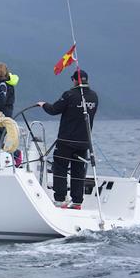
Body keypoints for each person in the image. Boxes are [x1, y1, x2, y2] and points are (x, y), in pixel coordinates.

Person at [37, 69, 99, 210]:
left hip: (66, 141)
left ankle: (60, 200)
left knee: (60, 169)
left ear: (75, 80)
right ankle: (77, 202)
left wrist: (43, 104)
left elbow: (53, 109)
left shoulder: (69, 95)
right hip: (84, 142)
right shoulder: (94, 96)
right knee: (78, 171)